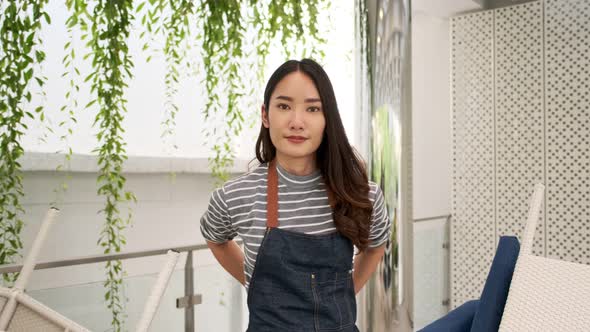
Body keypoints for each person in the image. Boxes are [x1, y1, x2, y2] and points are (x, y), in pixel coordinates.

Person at [200, 58, 391, 331]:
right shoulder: (233, 197)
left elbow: (375, 246)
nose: (297, 122)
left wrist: (346, 291)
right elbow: (216, 239)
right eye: (284, 106)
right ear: (266, 115)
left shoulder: (363, 194)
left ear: (328, 119)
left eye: (312, 108)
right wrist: (252, 279)